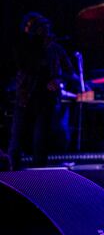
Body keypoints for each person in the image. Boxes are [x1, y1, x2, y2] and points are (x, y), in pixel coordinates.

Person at [8, 13, 77, 169]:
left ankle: (39, 177)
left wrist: (59, 80)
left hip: (46, 101)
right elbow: (25, 67)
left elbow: (70, 72)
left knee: (40, 141)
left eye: (47, 28)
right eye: (41, 29)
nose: (46, 32)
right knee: (16, 140)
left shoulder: (56, 48)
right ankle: (13, 175)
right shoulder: (23, 46)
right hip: (24, 98)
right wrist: (41, 47)